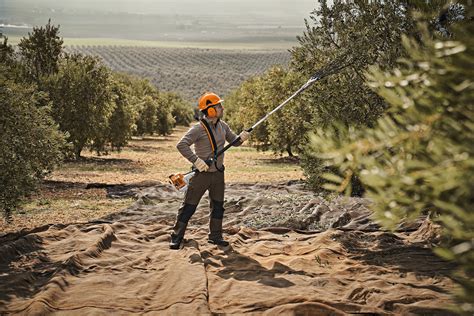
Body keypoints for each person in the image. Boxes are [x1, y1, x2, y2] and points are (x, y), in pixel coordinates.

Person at [169, 92, 250, 250]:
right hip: (201, 175)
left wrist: (242, 137)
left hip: (219, 173)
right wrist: (196, 161)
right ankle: (176, 237)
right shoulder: (198, 129)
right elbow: (181, 145)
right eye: (219, 106)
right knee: (189, 206)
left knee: (218, 206)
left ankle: (215, 236)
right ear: (211, 110)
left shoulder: (223, 125)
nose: (222, 107)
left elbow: (234, 142)